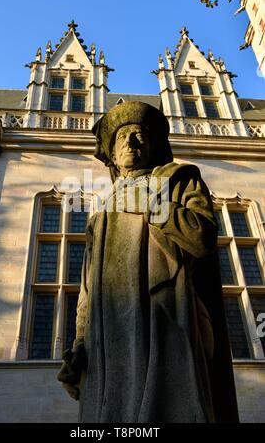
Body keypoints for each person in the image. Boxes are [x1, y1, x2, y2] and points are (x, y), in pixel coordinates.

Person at [58, 101, 239, 423]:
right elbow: (87, 288)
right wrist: (80, 342)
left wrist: (151, 205)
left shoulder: (179, 179)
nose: (131, 143)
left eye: (139, 135)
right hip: (107, 326)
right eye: (122, 138)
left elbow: (202, 238)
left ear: (154, 145)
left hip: (163, 312)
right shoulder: (100, 214)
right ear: (112, 154)